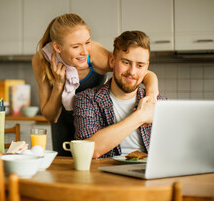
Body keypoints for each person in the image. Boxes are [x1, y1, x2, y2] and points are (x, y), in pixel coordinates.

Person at [32, 13, 159, 156]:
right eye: (75, 46)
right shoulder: (42, 61)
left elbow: (137, 73)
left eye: (87, 42)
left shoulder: (95, 55)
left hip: (94, 123)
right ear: (57, 47)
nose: (85, 51)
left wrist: (153, 96)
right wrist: (59, 84)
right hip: (63, 123)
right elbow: (50, 116)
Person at [73, 30, 166, 159]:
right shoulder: (86, 99)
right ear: (112, 61)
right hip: (105, 175)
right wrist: (140, 116)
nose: (132, 72)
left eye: (140, 65)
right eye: (126, 63)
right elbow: (88, 151)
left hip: (148, 175)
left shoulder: (158, 103)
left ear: (146, 68)